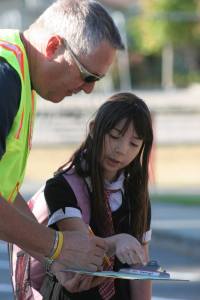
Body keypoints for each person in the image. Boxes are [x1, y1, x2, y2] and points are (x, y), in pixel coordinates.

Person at [0, 0, 124, 273]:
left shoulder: (19, 74)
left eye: (97, 81)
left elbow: (4, 194)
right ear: (54, 46)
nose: (89, 90)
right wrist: (57, 246)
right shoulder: (5, 77)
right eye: (87, 75)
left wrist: (56, 260)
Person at [27, 92, 153, 299]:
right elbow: (81, 248)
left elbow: (141, 262)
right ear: (94, 129)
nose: (121, 150)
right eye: (114, 136)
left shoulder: (135, 193)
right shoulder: (62, 186)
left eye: (134, 144)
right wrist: (119, 241)